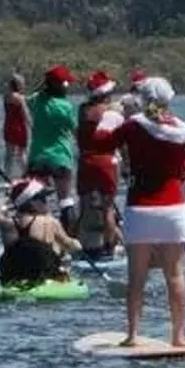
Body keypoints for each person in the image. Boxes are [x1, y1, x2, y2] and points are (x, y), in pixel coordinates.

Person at [117, 75, 185, 348]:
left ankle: (132, 334)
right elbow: (182, 167)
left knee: (136, 276)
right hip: (174, 208)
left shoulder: (132, 126)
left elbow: (101, 143)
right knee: (175, 274)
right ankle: (179, 336)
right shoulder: (180, 130)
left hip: (140, 207)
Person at [0, 180, 82, 285]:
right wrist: (77, 244)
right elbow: (70, 245)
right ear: (31, 203)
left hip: (13, 275)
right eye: (43, 199)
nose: (47, 202)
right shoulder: (49, 222)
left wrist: (6, 197)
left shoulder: (8, 224)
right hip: (44, 275)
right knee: (59, 250)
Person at [74, 70, 125, 257]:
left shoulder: (83, 110)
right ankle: (109, 248)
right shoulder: (112, 112)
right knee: (108, 208)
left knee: (85, 205)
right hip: (105, 160)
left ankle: (79, 246)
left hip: (86, 160)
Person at [27, 66, 80, 225]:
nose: (67, 86)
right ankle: (68, 234)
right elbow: (75, 130)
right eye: (65, 83)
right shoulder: (65, 106)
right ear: (60, 85)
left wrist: (43, 87)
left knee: (37, 199)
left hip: (38, 157)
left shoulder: (37, 101)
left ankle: (38, 232)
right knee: (65, 200)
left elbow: (28, 99)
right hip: (60, 157)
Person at [1, 73, 31, 181]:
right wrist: (32, 127)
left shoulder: (6, 96)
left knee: (9, 154)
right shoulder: (20, 98)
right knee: (21, 153)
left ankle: (6, 176)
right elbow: (25, 114)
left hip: (8, 127)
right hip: (19, 127)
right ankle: (27, 175)